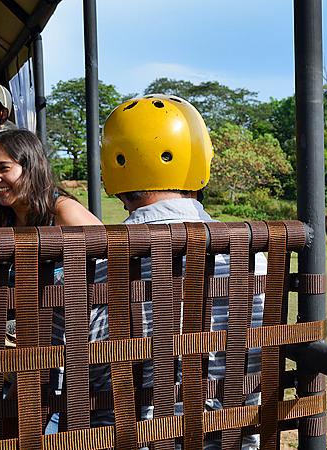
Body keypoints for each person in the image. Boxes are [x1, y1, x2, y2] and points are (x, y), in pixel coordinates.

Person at [97, 94, 265, 449]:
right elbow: (259, 365)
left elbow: (80, 377)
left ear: (113, 167)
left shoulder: (94, 263)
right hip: (232, 439)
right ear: (200, 160)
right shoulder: (255, 259)